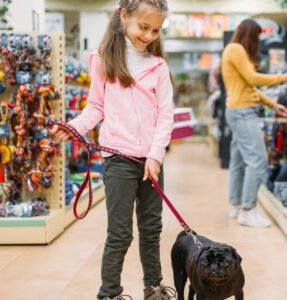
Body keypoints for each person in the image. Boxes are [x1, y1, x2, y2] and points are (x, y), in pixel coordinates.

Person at [51, 0, 175, 299]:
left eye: (155, 30)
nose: (148, 35)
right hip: (118, 159)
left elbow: (165, 115)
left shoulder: (158, 66)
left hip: (151, 161)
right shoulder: (102, 58)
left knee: (151, 229)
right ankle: (109, 293)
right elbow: (95, 106)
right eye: (143, 27)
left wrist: (156, 156)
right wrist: (73, 127)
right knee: (120, 234)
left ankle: (154, 289)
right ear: (124, 17)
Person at [221, 19, 287, 228]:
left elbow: (248, 87)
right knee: (258, 160)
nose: (258, 41)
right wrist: (286, 77)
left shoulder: (233, 50)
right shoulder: (236, 49)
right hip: (243, 113)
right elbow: (253, 79)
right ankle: (248, 210)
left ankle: (236, 205)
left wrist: (273, 105)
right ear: (251, 35)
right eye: (257, 37)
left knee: (238, 161)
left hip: (237, 110)